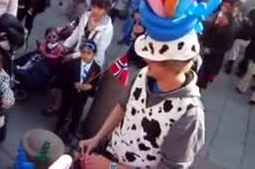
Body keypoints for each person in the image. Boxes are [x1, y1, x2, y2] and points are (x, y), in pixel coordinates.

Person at [79, 31, 205, 168]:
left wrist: (110, 166)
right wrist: (97, 139)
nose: (145, 59)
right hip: (110, 154)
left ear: (171, 65)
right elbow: (122, 107)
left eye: (153, 57)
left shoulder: (189, 115)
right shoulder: (143, 74)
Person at [55, 40, 101, 140]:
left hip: (81, 97)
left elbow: (95, 84)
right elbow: (64, 78)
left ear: (94, 54)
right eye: (83, 52)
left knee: (77, 114)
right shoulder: (72, 63)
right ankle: (59, 126)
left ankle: (71, 131)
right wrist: (73, 83)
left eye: (89, 53)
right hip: (69, 93)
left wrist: (90, 87)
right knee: (64, 110)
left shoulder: (96, 69)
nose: (85, 55)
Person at [63, 0, 113, 67]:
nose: (95, 11)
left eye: (100, 9)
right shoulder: (86, 16)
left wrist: (73, 56)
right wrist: (65, 45)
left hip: (92, 60)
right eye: (94, 7)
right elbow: (76, 34)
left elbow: (96, 51)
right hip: (78, 52)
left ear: (106, 11)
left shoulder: (107, 29)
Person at [197, 10, 237, 89]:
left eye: (222, 18)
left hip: (214, 59)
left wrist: (211, 50)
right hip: (203, 52)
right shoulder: (214, 25)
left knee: (201, 77)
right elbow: (205, 35)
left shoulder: (228, 33)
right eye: (219, 17)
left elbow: (225, 48)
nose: (219, 19)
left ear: (227, 21)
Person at [223, 9, 255, 74]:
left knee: (234, 51)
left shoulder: (245, 20)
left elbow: (239, 28)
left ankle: (230, 65)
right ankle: (241, 70)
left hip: (240, 39)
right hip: (248, 41)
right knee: (246, 56)